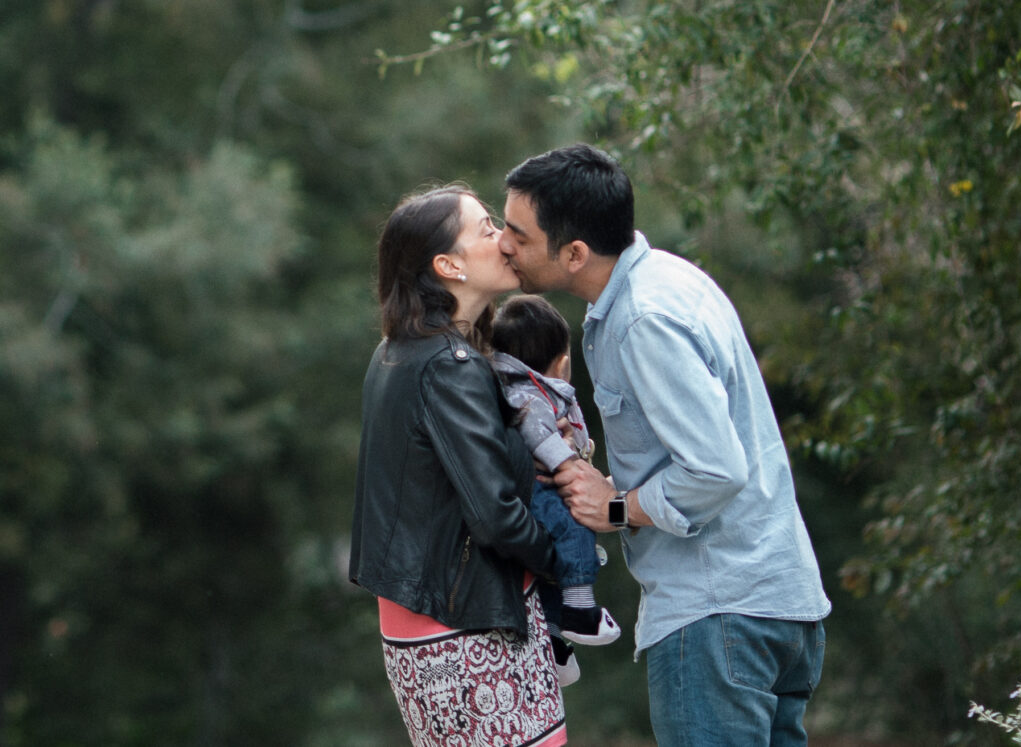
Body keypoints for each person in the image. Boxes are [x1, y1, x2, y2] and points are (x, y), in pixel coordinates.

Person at [500, 146, 831, 747]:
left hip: (717, 616)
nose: (503, 245)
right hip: (778, 606)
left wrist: (618, 507)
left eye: (518, 236)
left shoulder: (641, 318)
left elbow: (715, 469)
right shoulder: (672, 281)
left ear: (574, 253)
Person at [350, 186, 570, 747]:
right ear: (448, 266)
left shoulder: (396, 352)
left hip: (420, 621)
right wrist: (561, 561)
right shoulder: (449, 365)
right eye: (486, 228)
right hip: (467, 625)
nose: (504, 239)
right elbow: (495, 516)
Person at [487, 296, 620, 667]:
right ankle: (580, 610)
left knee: (548, 570)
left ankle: (555, 646)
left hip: (528, 490)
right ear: (562, 365)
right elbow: (541, 437)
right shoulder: (530, 397)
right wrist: (571, 468)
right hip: (540, 489)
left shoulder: (508, 389)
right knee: (574, 528)